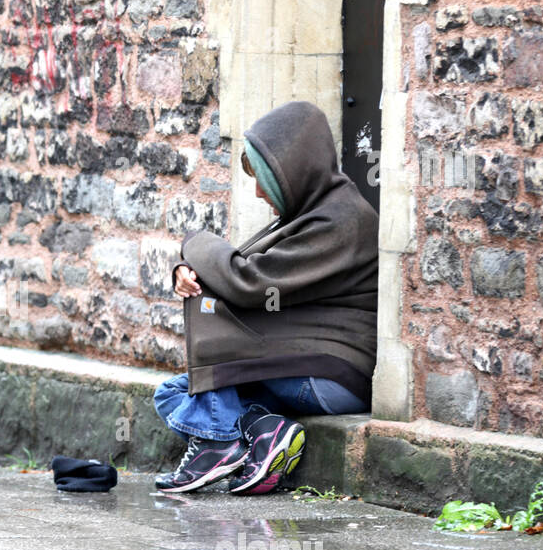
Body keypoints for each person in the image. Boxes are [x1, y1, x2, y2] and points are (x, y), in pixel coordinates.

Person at [153, 100, 378, 495]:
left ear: (294, 170)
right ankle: (264, 430)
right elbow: (238, 271)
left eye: (264, 178)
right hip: (300, 365)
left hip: (330, 377)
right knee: (171, 393)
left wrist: (194, 245)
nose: (258, 191)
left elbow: (248, 283)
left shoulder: (341, 221)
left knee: (212, 310)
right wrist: (188, 269)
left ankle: (221, 443)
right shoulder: (315, 213)